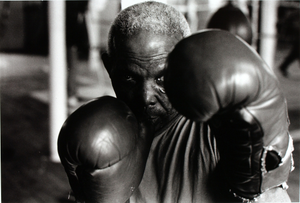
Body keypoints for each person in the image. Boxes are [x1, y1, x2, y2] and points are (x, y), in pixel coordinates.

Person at [58, 2, 294, 202]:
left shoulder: (220, 131)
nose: (146, 97)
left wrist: (258, 186)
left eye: (162, 78)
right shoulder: (97, 137)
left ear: (184, 71)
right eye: (129, 78)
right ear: (109, 67)